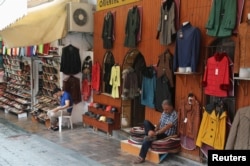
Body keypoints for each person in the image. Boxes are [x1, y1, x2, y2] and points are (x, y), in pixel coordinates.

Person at [134, 99, 177, 164]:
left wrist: (156, 133)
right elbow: (160, 122)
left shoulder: (175, 115)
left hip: (165, 134)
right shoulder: (164, 112)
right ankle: (149, 134)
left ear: (171, 107)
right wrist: (155, 129)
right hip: (158, 131)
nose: (165, 111)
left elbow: (167, 127)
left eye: (167, 109)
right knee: (146, 122)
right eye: (164, 109)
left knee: (148, 139)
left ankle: (141, 157)